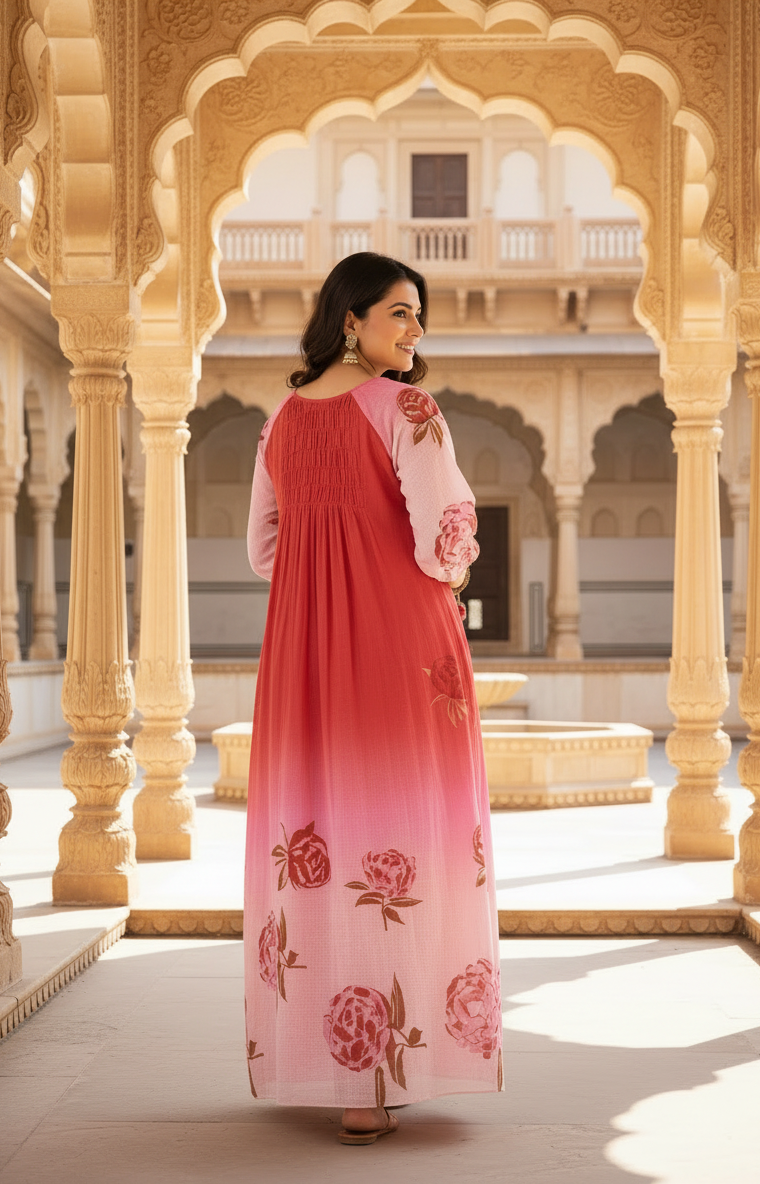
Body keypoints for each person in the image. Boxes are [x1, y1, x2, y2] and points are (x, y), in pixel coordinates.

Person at [244, 251, 502, 1145]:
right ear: (350, 319)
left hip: (304, 654)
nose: (416, 331)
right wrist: (445, 577)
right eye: (400, 314)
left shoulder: (279, 421)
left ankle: (345, 1074)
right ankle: (384, 1077)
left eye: (418, 316)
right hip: (401, 646)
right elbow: (446, 536)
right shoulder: (411, 411)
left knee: (325, 837)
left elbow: (263, 551)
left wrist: (323, 587)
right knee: (402, 845)